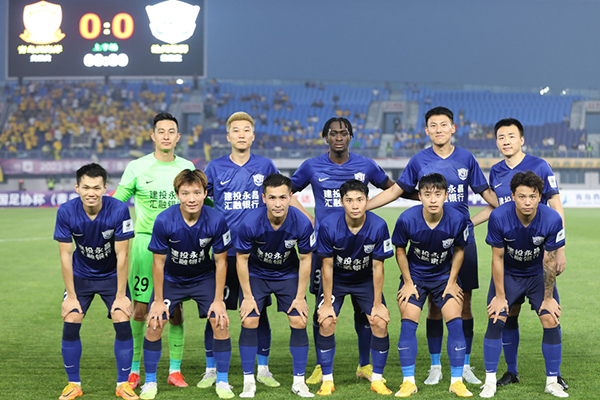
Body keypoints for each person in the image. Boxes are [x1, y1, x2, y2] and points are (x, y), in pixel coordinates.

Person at [367, 107, 498, 385]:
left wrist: (484, 218)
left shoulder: (467, 158)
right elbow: (396, 190)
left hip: (460, 241)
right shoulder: (419, 160)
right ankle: (436, 365)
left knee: (463, 304)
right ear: (426, 131)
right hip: (429, 238)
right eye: (433, 126)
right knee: (434, 307)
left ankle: (464, 365)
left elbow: (487, 194)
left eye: (444, 124)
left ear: (453, 128)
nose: (439, 129)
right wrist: (362, 206)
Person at [291, 117, 394, 385]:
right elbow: (284, 191)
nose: (339, 137)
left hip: (360, 247)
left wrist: (368, 207)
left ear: (351, 136)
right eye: (333, 133)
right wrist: (308, 217)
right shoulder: (311, 166)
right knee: (322, 310)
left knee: (365, 312)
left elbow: (392, 188)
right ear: (325, 136)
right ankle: (320, 365)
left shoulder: (366, 165)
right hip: (326, 250)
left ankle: (365, 364)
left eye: (344, 133)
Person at [471, 118, 568, 389]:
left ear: (522, 139)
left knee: (549, 314)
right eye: (501, 137)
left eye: (511, 136)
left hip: (539, 253)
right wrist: (470, 222)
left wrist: (560, 248)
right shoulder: (496, 171)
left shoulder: (540, 166)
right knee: (507, 314)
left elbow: (556, 206)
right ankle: (511, 372)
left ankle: (554, 376)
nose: (506, 141)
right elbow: (498, 207)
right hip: (511, 253)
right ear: (496, 141)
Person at [113, 112, 195, 389]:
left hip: (179, 246)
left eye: (171, 131)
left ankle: (175, 370)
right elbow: (118, 201)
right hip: (145, 245)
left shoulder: (186, 167)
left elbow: (198, 203)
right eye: (161, 131)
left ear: (178, 137)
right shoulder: (137, 167)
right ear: (153, 136)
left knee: (176, 310)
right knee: (140, 310)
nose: (166, 136)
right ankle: (134, 370)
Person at [200, 112, 279, 389]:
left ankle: (263, 368)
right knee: (216, 310)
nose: (241, 134)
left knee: (258, 310)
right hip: (223, 253)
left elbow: (280, 197)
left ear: (253, 136)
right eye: (236, 130)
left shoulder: (266, 165)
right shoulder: (215, 167)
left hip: (257, 253)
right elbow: (199, 199)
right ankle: (211, 369)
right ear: (228, 136)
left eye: (246, 130)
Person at [140, 169, 234, 400]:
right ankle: (150, 382)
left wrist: (219, 300)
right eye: (185, 193)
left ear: (205, 194)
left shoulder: (216, 219)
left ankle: (222, 381)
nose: (191, 199)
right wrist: (158, 301)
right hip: (172, 279)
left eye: (197, 193)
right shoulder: (164, 220)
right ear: (177, 195)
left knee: (220, 322)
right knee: (154, 324)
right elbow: (158, 263)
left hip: (203, 278)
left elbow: (221, 262)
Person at [54, 163, 138, 400]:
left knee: (122, 317)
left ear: (105, 188)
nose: (91, 192)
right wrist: (71, 297)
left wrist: (121, 296)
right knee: (71, 317)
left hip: (111, 276)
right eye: (86, 187)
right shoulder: (66, 211)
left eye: (96, 188)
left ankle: (123, 384)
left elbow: (123, 255)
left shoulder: (119, 210)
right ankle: (73, 384)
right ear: (77, 187)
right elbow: (65, 256)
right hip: (81, 276)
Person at [392, 173, 472, 398]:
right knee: (408, 324)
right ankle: (408, 382)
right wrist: (408, 283)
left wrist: (452, 282)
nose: (433, 199)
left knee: (456, 323)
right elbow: (400, 249)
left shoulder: (457, 219)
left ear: (446, 195)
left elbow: (459, 249)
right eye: (427, 194)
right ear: (420, 196)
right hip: (415, 278)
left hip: (443, 278)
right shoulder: (406, 219)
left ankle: (456, 382)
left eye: (438, 194)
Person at [236, 174, 315, 398]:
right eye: (272, 198)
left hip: (287, 275)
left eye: (282, 197)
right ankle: (248, 382)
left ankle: (299, 382)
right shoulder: (250, 222)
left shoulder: (301, 222)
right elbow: (241, 260)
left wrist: (299, 297)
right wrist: (248, 297)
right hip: (256, 274)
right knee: (249, 319)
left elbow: (306, 260)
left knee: (299, 320)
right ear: (264, 198)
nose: (278, 203)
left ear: (291, 197)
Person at [315, 180, 394, 396]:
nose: (355, 205)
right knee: (326, 321)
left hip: (365, 280)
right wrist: (327, 303)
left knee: (379, 321)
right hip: (337, 280)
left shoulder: (378, 226)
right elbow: (327, 266)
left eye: (360, 200)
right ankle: (327, 380)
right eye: (349, 200)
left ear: (367, 200)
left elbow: (378, 267)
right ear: (342, 202)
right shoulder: (328, 225)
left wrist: (377, 304)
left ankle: (377, 379)